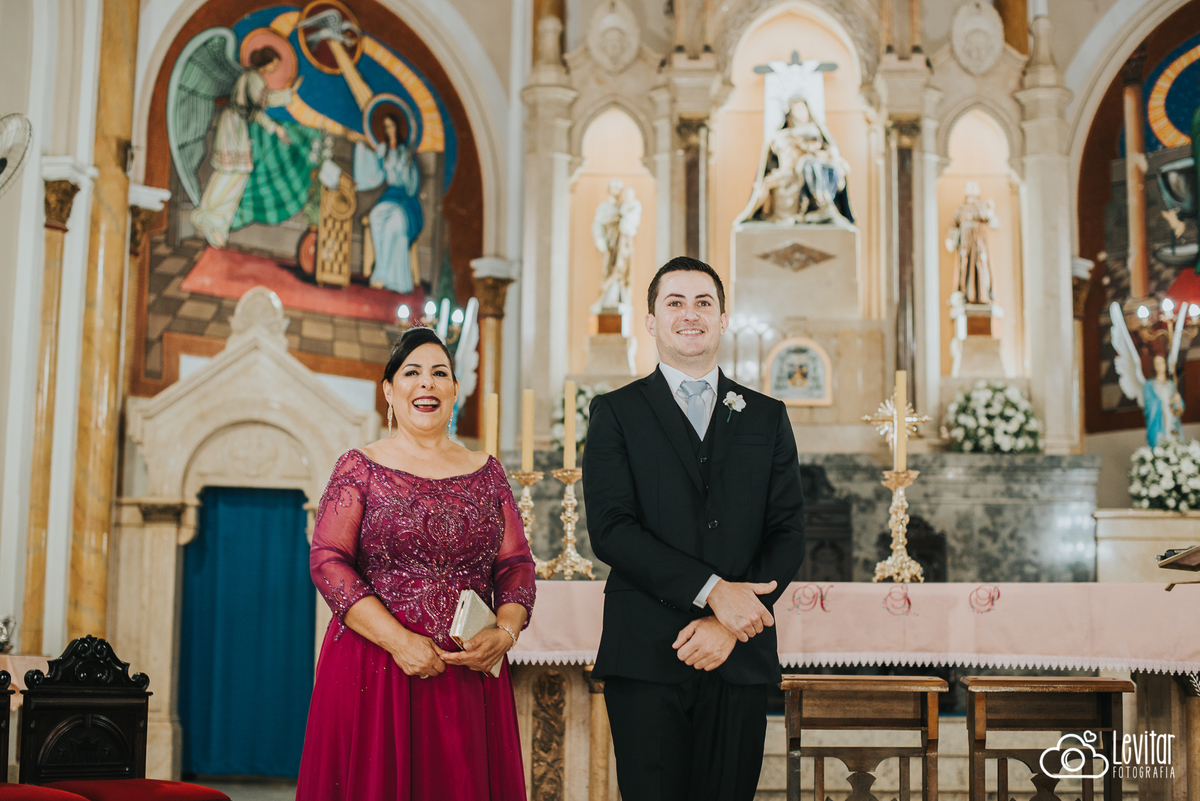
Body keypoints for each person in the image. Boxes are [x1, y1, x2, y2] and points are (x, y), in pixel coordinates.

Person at [582, 256, 807, 801]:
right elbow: (612, 529)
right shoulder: (615, 412)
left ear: (724, 318)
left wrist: (731, 624)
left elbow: (788, 532)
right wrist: (713, 593)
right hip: (646, 652)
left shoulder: (767, 415)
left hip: (739, 656)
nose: (690, 314)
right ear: (652, 321)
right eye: (674, 303)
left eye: (704, 302)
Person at [295, 326, 535, 801]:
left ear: (454, 390)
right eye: (412, 373)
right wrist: (400, 641)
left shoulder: (487, 471)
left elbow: (516, 566)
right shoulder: (359, 466)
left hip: (468, 674)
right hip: (376, 668)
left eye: (439, 374)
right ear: (389, 390)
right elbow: (328, 561)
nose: (426, 384)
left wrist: (503, 634)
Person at [190, 46, 306, 248]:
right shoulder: (254, 77)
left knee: (233, 172)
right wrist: (289, 94)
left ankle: (214, 219)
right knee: (231, 172)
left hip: (236, 124)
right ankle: (211, 217)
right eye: (275, 64)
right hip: (233, 125)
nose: (276, 68)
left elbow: (256, 111)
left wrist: (276, 127)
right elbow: (263, 103)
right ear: (267, 62)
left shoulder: (252, 78)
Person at [354, 110, 424, 294]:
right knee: (376, 216)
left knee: (395, 224)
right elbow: (375, 174)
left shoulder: (405, 152)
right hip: (389, 196)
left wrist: (408, 167)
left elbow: (412, 185)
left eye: (391, 125)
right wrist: (361, 149)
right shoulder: (384, 150)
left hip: (405, 200)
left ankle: (392, 277)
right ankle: (381, 272)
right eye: (386, 127)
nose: (389, 129)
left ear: (397, 127)